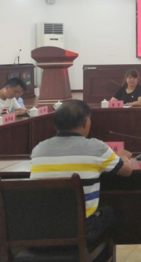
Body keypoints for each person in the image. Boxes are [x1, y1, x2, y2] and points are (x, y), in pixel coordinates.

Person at [30, 100, 133, 249]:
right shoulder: (96, 147)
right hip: (80, 232)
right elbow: (126, 171)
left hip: (38, 232)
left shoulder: (38, 149)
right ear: (85, 123)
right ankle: (99, 256)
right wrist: (123, 157)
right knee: (114, 213)